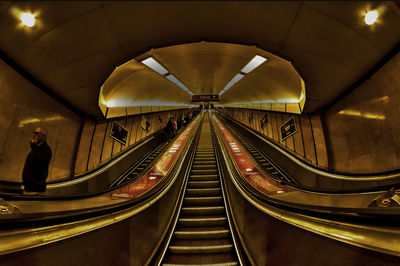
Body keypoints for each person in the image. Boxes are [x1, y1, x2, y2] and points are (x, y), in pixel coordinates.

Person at [22, 127, 52, 195]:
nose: (34, 135)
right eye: (33, 132)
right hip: (28, 188)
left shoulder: (46, 150)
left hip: (36, 190)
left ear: (43, 137)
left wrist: (33, 145)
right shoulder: (36, 149)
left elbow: (40, 161)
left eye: (37, 133)